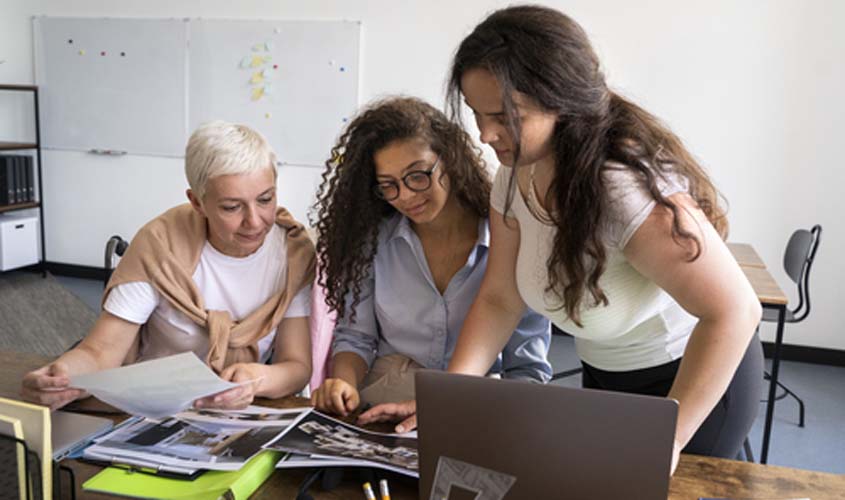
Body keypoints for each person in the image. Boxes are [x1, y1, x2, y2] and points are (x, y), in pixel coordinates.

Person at [359, 5, 764, 469]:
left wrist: (670, 439)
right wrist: (448, 398)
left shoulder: (621, 189)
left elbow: (736, 311)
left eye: (503, 116)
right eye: (476, 114)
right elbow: (498, 299)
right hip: (609, 373)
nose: (486, 134)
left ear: (560, 100)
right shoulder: (513, 178)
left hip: (693, 381)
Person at [21, 121, 315, 411]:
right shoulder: (160, 246)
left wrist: (256, 378)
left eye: (265, 199)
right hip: (148, 406)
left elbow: (297, 365)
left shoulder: (293, 253)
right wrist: (59, 376)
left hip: (240, 411)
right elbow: (101, 352)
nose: (254, 220)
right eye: (231, 207)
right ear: (197, 203)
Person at [309, 96, 551, 417]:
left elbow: (528, 373)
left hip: (476, 404)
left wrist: (459, 408)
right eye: (388, 185)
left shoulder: (511, 242)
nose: (406, 195)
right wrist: (344, 383)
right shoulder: (375, 241)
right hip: (384, 397)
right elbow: (356, 337)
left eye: (418, 175)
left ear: (449, 159)